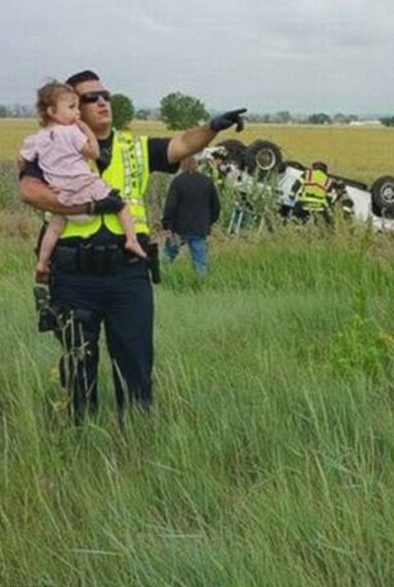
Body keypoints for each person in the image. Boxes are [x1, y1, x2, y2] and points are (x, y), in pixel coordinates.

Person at [19, 69, 246, 423]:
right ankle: (77, 438)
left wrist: (213, 127)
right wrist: (88, 207)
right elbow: (29, 191)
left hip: (128, 272)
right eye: (90, 98)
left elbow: (182, 144)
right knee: (78, 363)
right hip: (74, 273)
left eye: (105, 95)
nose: (102, 102)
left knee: (136, 362)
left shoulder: (133, 147)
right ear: (71, 108)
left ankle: (135, 440)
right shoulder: (52, 143)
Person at [19, 81, 146, 283]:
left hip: (62, 195)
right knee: (120, 204)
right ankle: (132, 240)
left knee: (54, 228)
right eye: (71, 108)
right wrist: (87, 131)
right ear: (52, 111)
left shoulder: (37, 138)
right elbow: (93, 152)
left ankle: (42, 262)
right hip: (85, 187)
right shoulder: (71, 132)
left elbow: (22, 160)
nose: (77, 113)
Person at [161, 156, 221, 275]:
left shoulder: (178, 182)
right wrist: (209, 221)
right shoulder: (207, 182)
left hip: (179, 228)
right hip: (200, 228)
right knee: (200, 261)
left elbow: (170, 206)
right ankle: (201, 285)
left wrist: (167, 224)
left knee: (168, 256)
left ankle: (160, 279)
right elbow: (216, 206)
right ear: (196, 165)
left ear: (182, 165)